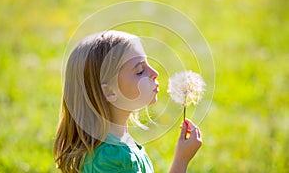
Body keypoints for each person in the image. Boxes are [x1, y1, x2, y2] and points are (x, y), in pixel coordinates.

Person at [54, 30, 202, 173]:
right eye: (140, 71)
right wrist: (181, 161)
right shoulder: (112, 159)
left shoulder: (116, 145)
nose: (155, 73)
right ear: (110, 92)